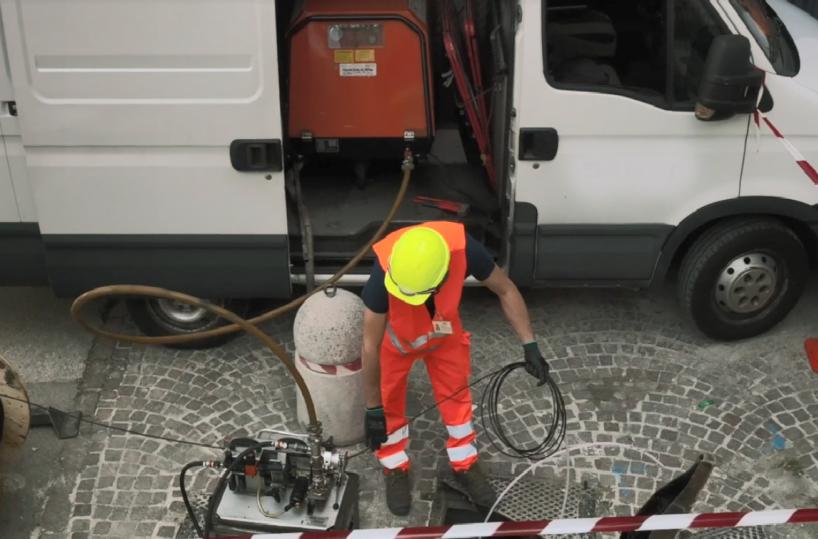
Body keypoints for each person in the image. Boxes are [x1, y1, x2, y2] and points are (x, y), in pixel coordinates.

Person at [361, 221, 548, 516]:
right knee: (389, 403)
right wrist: (372, 408)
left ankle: (464, 460)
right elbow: (369, 345)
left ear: (442, 275)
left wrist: (530, 344)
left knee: (457, 397)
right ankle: (394, 464)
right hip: (396, 344)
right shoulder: (385, 268)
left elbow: (505, 289)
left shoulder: (465, 249)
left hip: (443, 335)